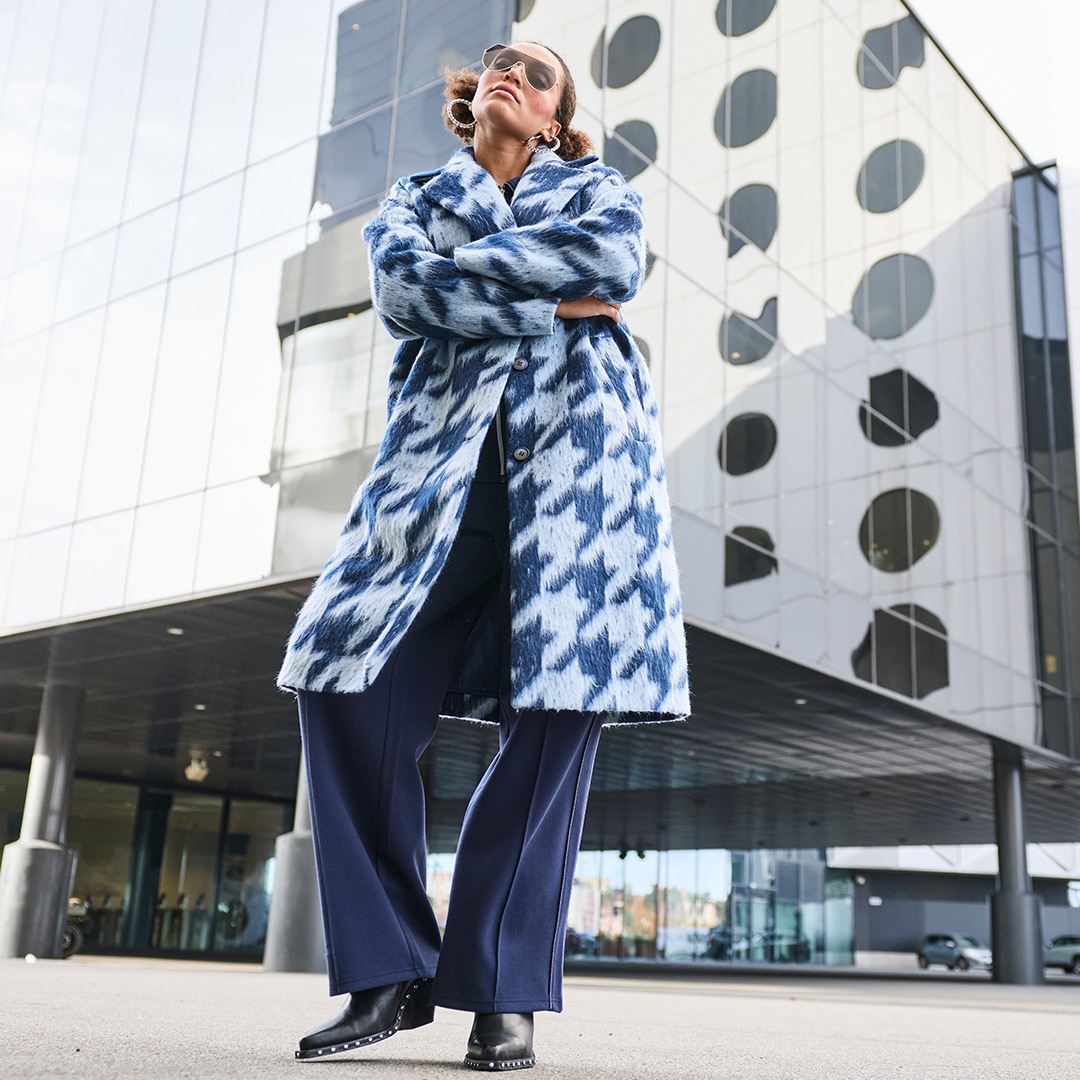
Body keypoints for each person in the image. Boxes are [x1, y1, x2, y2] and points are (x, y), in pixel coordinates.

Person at [277, 40, 689, 1071]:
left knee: (554, 729)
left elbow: (611, 267)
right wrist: (549, 302)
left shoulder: (602, 192)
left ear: (553, 120)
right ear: (476, 103)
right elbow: (407, 293)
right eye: (500, 65)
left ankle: (504, 992)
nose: (512, 73)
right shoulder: (414, 201)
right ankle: (392, 967)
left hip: (582, 499)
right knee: (340, 683)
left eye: (536, 75)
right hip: (436, 492)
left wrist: (487, 286)